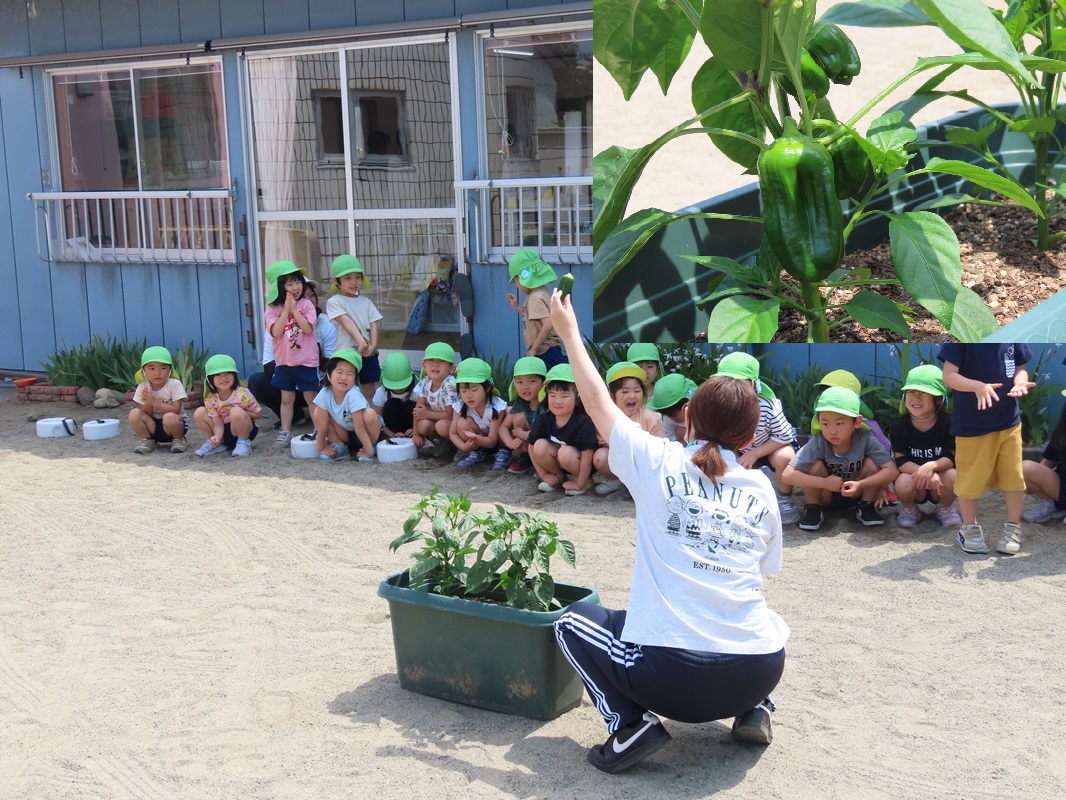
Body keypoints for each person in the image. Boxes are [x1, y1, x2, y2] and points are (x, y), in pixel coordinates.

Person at [548, 289, 789, 775]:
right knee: (764, 617)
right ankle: (756, 709)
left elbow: (596, 402)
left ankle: (629, 725)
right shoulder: (761, 489)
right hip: (757, 671)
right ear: (750, 438)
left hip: (671, 681)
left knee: (570, 622)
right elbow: (764, 569)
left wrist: (568, 331)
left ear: (688, 419)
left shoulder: (656, 460)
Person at [940, 344, 1034, 555]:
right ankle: (969, 529)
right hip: (972, 427)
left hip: (1009, 423)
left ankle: (1012, 528)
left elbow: (1020, 368)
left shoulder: (1013, 337)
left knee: (1014, 477)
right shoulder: (962, 340)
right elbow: (949, 375)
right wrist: (977, 386)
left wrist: (1020, 383)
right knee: (970, 480)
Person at [782, 386, 899, 531]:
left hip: (856, 493)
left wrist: (860, 484)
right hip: (826, 495)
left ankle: (866, 507)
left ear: (857, 422)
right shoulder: (818, 442)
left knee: (873, 464)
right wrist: (825, 483)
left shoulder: (865, 438)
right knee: (814, 466)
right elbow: (787, 475)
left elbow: (892, 471)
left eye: (839, 423)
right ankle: (813, 508)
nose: (832, 431)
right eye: (825, 423)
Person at [716, 352, 800, 525]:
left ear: (754, 385)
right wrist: (733, 454)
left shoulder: (767, 405)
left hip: (771, 446)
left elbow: (784, 436)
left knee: (784, 456)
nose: (734, 389)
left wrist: (754, 454)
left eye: (740, 383)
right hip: (739, 449)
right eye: (727, 382)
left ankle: (784, 498)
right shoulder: (720, 405)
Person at [248, 280, 332, 430]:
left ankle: (320, 427)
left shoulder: (325, 322)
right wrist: (291, 360)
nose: (306, 300)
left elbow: (331, 364)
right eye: (302, 296)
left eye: (311, 295)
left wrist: (305, 356)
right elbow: (268, 364)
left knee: (318, 394)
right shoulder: (275, 316)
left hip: (315, 378)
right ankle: (294, 418)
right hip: (287, 371)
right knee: (259, 382)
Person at [890, 364, 962, 528]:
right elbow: (901, 461)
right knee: (903, 481)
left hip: (940, 480)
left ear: (938, 399)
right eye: (911, 392)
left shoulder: (949, 423)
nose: (916, 398)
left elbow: (950, 457)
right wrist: (924, 473)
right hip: (914, 478)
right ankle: (909, 508)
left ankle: (945, 508)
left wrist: (932, 467)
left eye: (923, 393)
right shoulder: (899, 426)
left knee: (953, 475)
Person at [264, 260, 320, 446]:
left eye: (297, 282)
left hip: (306, 361)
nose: (295, 287)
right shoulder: (272, 309)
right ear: (280, 287)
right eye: (289, 284)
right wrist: (286, 310)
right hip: (284, 363)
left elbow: (308, 328)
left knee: (311, 397)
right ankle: (285, 432)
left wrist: (294, 311)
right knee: (286, 398)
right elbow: (276, 332)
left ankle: (319, 430)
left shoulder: (306, 305)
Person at [592, 362, 665, 496]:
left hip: (645, 465)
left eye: (637, 391)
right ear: (611, 396)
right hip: (621, 460)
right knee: (600, 456)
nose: (632, 396)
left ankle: (643, 486)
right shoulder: (607, 418)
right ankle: (619, 481)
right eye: (625, 391)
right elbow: (603, 441)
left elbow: (661, 448)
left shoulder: (650, 418)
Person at [528, 363, 599, 495]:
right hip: (560, 461)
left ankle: (585, 482)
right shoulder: (543, 419)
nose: (558, 401)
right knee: (539, 445)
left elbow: (587, 454)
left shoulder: (582, 422)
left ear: (577, 398)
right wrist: (544, 474)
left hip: (580, 463)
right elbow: (531, 447)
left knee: (565, 452)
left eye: (565, 396)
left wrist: (580, 482)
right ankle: (558, 477)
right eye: (552, 395)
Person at [326, 254, 383, 404]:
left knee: (369, 389)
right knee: (345, 389)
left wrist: (373, 345)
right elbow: (346, 322)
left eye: (357, 277)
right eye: (347, 278)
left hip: (368, 353)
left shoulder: (366, 301)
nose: (354, 282)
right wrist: (361, 343)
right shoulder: (334, 302)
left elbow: (373, 324)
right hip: (347, 354)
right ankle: (347, 416)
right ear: (336, 281)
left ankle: (371, 415)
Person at [312, 348, 381, 462]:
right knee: (317, 413)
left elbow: (359, 427)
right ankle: (340, 446)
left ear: (355, 379)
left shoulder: (353, 395)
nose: (344, 378)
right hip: (344, 433)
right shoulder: (325, 392)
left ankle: (370, 446)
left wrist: (369, 452)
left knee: (369, 414)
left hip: (364, 433)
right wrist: (321, 448)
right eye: (339, 372)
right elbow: (323, 426)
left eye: (349, 374)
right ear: (329, 373)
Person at [504, 249, 567, 367]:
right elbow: (534, 317)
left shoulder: (535, 298)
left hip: (545, 351)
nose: (517, 287)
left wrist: (534, 348)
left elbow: (548, 323)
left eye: (516, 283)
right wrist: (517, 307)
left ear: (521, 279)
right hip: (548, 349)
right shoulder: (543, 291)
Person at [193, 354, 262, 458]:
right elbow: (217, 422)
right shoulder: (210, 398)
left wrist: (234, 411)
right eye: (218, 375)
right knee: (200, 412)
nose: (224, 378)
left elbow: (258, 414)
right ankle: (214, 443)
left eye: (228, 373)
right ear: (209, 379)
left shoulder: (242, 394)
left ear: (235, 375)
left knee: (236, 411)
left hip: (243, 430)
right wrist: (217, 436)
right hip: (223, 433)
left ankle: (243, 443)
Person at [448, 357, 509, 468]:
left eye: (474, 390)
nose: (468, 395)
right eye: (463, 390)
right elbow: (453, 433)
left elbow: (492, 441)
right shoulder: (460, 406)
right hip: (477, 442)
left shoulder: (496, 407)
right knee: (462, 422)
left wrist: (476, 438)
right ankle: (477, 452)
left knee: (509, 414)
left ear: (487, 388)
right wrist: (464, 447)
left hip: (496, 442)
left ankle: (504, 452)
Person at [128, 345, 189, 454]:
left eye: (163, 368)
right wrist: (149, 403)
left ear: (170, 370)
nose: (157, 373)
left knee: (169, 417)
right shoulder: (143, 387)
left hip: (175, 425)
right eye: (151, 368)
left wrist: (156, 402)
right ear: (143, 372)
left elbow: (176, 410)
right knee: (134, 414)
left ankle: (179, 440)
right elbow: (146, 414)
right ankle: (148, 439)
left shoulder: (174, 384)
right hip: (153, 426)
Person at [499, 356, 548, 475]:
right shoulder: (521, 402)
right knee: (518, 417)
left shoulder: (548, 402)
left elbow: (546, 432)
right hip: (530, 442)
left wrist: (522, 434)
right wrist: (510, 443)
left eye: (532, 381)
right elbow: (503, 427)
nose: (525, 386)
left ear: (543, 383)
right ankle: (527, 457)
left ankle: (545, 465)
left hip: (546, 445)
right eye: (520, 382)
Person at [1022, 389, 1066, 523]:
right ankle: (1050, 505)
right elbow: (1049, 459)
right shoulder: (1062, 431)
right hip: (1062, 485)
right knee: (1025, 468)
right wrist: (1031, 482)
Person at [412, 342, 460, 457]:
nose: (435, 364)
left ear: (451, 368)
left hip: (457, 422)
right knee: (422, 426)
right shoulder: (425, 381)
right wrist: (416, 434)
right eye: (431, 360)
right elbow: (418, 410)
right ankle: (446, 441)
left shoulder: (450, 384)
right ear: (424, 365)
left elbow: (451, 415)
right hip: (439, 419)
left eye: (441, 361)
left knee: (441, 426)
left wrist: (427, 413)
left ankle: (459, 445)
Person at [372, 352, 419, 439]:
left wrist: (415, 430)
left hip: (411, 430)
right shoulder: (381, 393)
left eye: (403, 385)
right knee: (392, 404)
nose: (399, 388)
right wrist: (390, 434)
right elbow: (377, 418)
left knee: (411, 405)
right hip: (390, 430)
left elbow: (421, 415)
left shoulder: (416, 392)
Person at [646, 373, 697, 444]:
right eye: (668, 415)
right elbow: (668, 437)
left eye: (674, 415)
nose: (672, 418)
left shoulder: (698, 412)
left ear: (686, 406)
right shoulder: (668, 419)